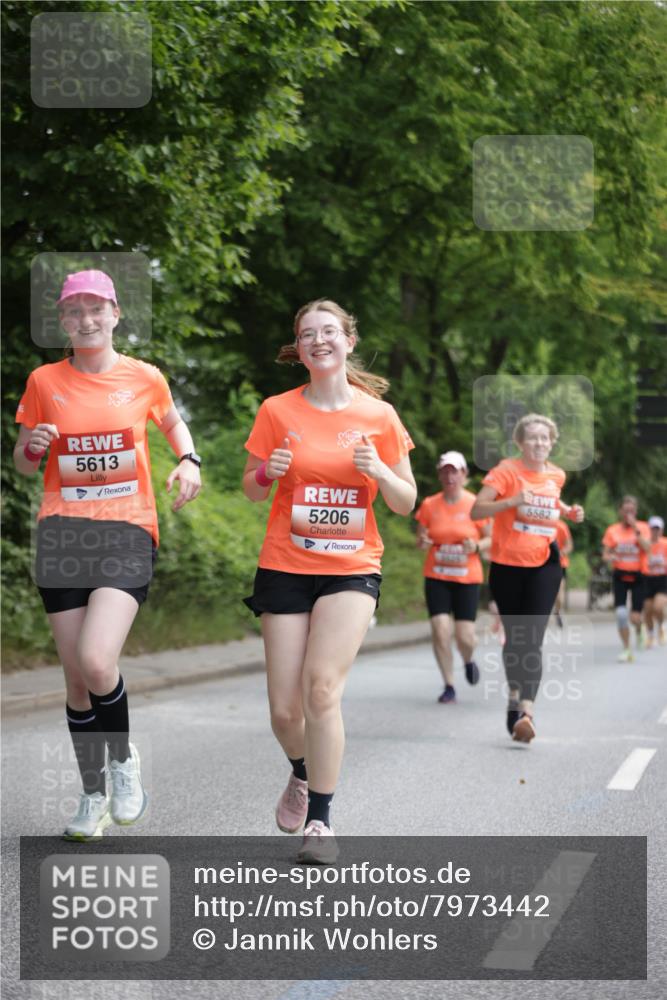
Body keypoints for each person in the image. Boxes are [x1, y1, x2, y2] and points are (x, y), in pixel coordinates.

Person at [14, 270, 201, 841]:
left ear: (116, 314)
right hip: (63, 533)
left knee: (98, 661)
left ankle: (123, 766)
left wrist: (188, 459)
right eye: (74, 311)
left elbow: (171, 421)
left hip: (125, 529)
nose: (86, 319)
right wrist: (32, 446)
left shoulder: (143, 377)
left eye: (96, 309)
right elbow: (24, 462)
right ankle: (92, 796)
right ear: (62, 322)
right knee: (76, 681)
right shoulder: (45, 380)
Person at [242, 299, 416, 863]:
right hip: (286, 565)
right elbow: (250, 486)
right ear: (300, 347)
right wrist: (265, 473)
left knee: (321, 690)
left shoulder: (378, 416)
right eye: (308, 334)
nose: (320, 340)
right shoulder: (276, 410)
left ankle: (321, 819)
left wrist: (381, 471)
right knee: (284, 712)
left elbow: (406, 502)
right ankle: (300, 770)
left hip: (351, 567)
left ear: (347, 340)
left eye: (329, 331)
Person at [470, 413, 584, 743]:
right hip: (506, 565)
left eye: (544, 438)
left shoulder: (557, 475)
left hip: (544, 564)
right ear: (520, 443)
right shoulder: (506, 471)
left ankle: (527, 712)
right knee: (515, 638)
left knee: (532, 637)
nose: (539, 443)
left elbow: (550, 501)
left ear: (552, 443)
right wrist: (512, 501)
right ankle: (514, 695)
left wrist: (569, 512)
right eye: (532, 438)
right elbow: (477, 510)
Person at [415, 451, 491, 704]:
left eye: (454, 471)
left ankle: (468, 659)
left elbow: (492, 539)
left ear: (464, 475)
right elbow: (421, 539)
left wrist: (477, 546)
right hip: (437, 575)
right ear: (439, 475)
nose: (449, 475)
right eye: (445, 471)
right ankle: (449, 684)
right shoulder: (429, 504)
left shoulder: (475, 505)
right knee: (440, 629)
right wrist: (423, 541)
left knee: (465, 636)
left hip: (467, 578)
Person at [602, 496, 650, 662]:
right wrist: (611, 557)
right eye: (626, 510)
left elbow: (648, 548)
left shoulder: (643, 527)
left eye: (632, 510)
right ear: (620, 511)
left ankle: (639, 628)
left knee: (635, 617)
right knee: (622, 614)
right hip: (620, 575)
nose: (629, 513)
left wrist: (636, 530)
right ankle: (627, 649)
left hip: (638, 576)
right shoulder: (612, 530)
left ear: (635, 511)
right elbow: (605, 554)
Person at [641, 515, 667, 648]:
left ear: (661, 530)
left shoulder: (665, 544)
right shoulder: (645, 544)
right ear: (650, 529)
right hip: (648, 579)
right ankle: (650, 634)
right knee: (648, 610)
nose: (655, 531)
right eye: (653, 528)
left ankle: (661, 626)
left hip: (662, 579)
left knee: (658, 607)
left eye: (658, 529)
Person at [553, 518, 574, 627]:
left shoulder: (561, 526)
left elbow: (569, 545)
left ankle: (557, 611)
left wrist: (562, 552)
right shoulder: (537, 525)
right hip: (540, 563)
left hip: (559, 564)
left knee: (559, 596)